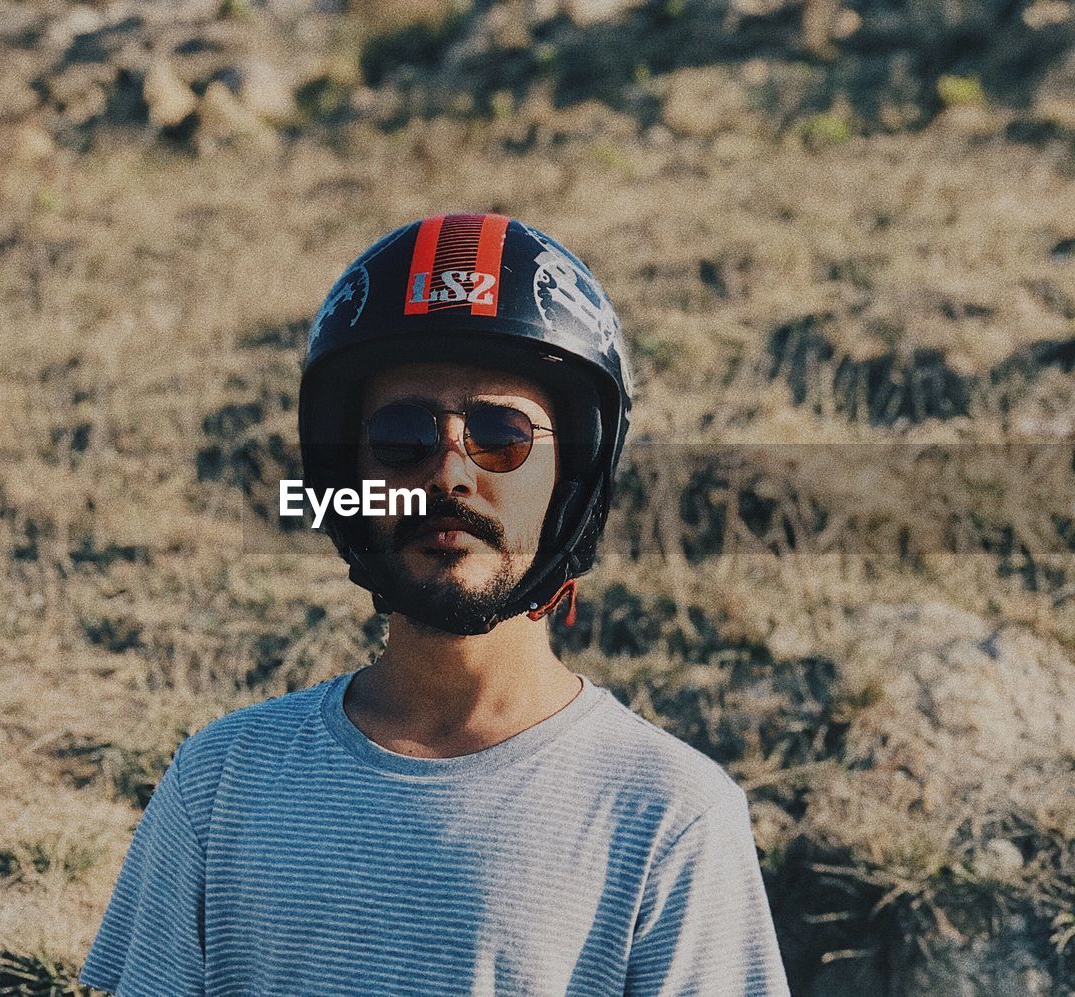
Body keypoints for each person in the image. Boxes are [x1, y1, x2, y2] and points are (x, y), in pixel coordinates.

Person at [79, 214, 790, 996]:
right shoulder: (222, 779)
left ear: (572, 481)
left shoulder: (670, 817)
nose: (450, 474)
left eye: (502, 434)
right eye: (401, 433)